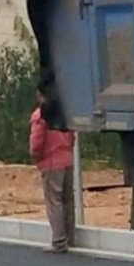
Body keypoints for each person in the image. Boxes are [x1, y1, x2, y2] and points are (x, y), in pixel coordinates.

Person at [29, 92, 77, 253]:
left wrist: (36, 157)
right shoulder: (63, 113)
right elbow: (72, 136)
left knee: (54, 201)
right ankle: (70, 237)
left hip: (51, 162)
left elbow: (36, 142)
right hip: (67, 160)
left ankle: (59, 240)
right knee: (67, 200)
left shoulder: (40, 115)